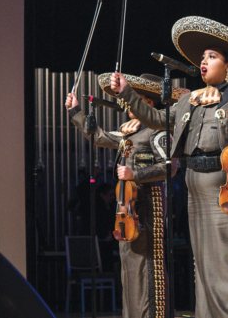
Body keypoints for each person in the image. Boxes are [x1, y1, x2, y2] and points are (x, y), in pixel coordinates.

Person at [110, 17, 228, 317]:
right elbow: (156, 119)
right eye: (202, 58)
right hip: (194, 185)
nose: (203, 62)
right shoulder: (190, 101)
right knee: (204, 261)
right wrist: (126, 93)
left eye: (211, 57)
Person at [66, 73, 189, 317]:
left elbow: (171, 167)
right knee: (130, 262)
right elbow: (99, 137)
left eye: (135, 100)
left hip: (147, 201)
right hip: (128, 204)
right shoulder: (129, 132)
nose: (127, 104)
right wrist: (75, 113)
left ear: (148, 104)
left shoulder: (158, 131)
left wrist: (135, 174)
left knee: (148, 261)